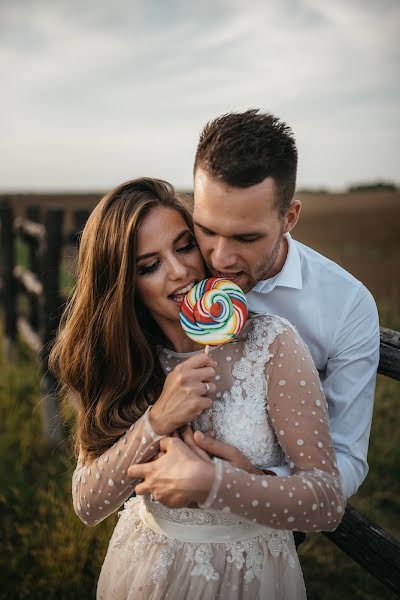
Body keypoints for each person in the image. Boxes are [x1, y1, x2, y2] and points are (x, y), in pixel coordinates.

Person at [50, 177, 344, 599]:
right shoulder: (128, 362)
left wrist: (215, 485)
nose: (179, 270)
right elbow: (88, 504)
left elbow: (327, 503)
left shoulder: (271, 345)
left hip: (253, 577)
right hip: (146, 570)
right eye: (148, 266)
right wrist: (157, 419)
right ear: (124, 286)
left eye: (184, 246)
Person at [129, 109, 380, 513]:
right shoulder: (180, 269)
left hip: (271, 524)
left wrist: (255, 483)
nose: (221, 257)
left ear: (289, 218)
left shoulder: (346, 307)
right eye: (207, 229)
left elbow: (347, 458)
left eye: (246, 237)